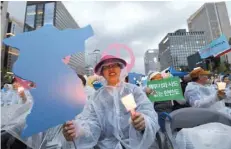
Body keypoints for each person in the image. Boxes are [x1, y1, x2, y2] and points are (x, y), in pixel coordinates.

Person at [62, 55, 159, 149]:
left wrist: (144, 121)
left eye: (114, 65)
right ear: (102, 72)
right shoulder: (96, 98)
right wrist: (79, 130)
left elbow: (148, 112)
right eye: (107, 67)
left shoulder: (133, 91)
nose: (111, 69)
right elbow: (91, 122)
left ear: (120, 68)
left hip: (136, 143)